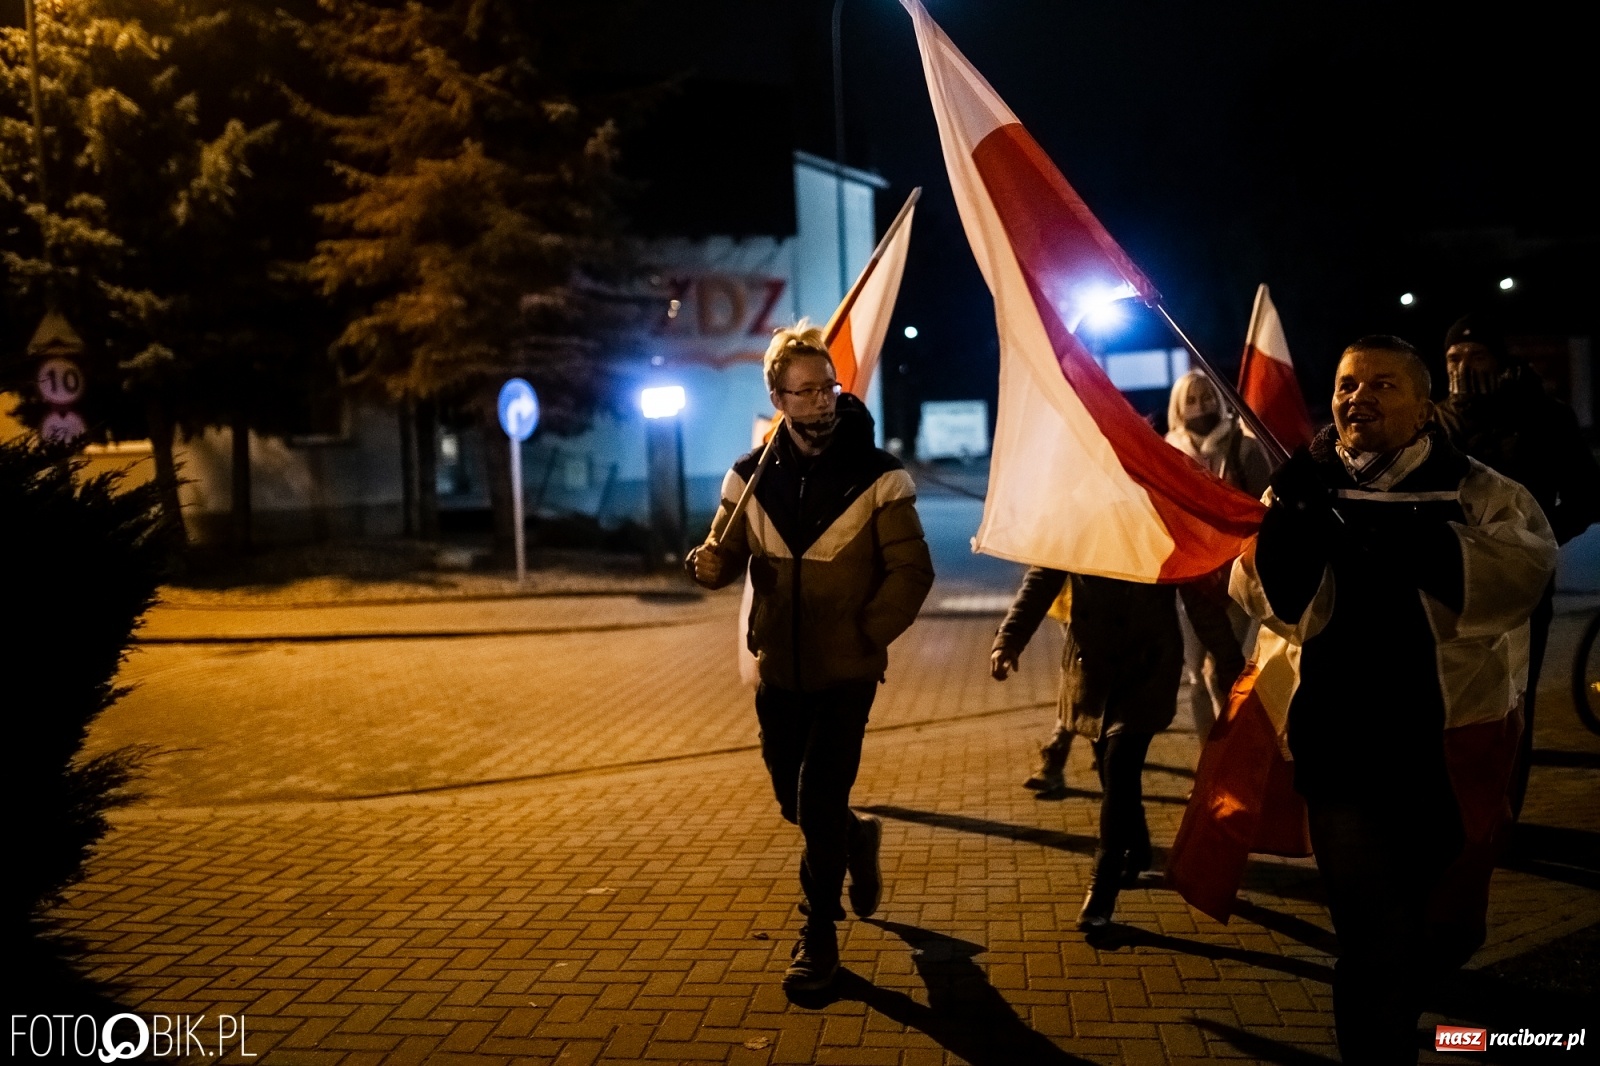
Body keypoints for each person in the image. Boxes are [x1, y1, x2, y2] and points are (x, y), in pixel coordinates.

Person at [1233, 335, 1556, 1063]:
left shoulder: (1480, 490)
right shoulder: (1299, 487)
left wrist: (1401, 539)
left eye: (1382, 385)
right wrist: (1293, 525)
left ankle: (1407, 1019)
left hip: (1444, 744)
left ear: (1423, 408)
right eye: (1348, 384)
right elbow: (1262, 594)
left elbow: (1523, 573)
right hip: (1340, 747)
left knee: (1445, 928)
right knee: (1372, 932)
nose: (1359, 398)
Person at [687, 321, 934, 993]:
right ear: (779, 399)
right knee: (794, 803)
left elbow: (912, 572)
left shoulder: (879, 477)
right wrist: (706, 565)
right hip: (780, 672)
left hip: (847, 671)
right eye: (804, 392)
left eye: (827, 387)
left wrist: (866, 634)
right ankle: (857, 840)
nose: (821, 401)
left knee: (819, 797)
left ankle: (817, 934)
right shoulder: (748, 477)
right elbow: (723, 554)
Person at [1433, 314, 1600, 817]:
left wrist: (1535, 543)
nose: (1463, 368)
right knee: (1449, 699)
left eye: (1475, 357)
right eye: (1453, 360)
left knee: (1512, 698)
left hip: (1519, 588)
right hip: (1447, 583)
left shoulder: (1540, 417)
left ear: (1500, 362)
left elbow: (1585, 495)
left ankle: (1502, 814)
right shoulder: (1435, 420)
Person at [991, 569, 1182, 932]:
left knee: (1121, 765)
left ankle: (1102, 888)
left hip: (1146, 667)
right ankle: (1138, 846)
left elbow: (1199, 595)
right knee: (1112, 774)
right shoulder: (1083, 520)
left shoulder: (1161, 518)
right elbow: (1042, 579)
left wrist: (1228, 661)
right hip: (1091, 666)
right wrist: (1009, 639)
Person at [1164, 370, 1273, 742]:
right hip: (1193, 581)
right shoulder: (1170, 453)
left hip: (1239, 576)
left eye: (1207, 397)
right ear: (1178, 408)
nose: (1201, 406)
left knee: (1234, 669)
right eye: (1191, 400)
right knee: (1196, 672)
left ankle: (1238, 752)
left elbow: (1265, 512)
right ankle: (1207, 760)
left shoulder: (1242, 447)